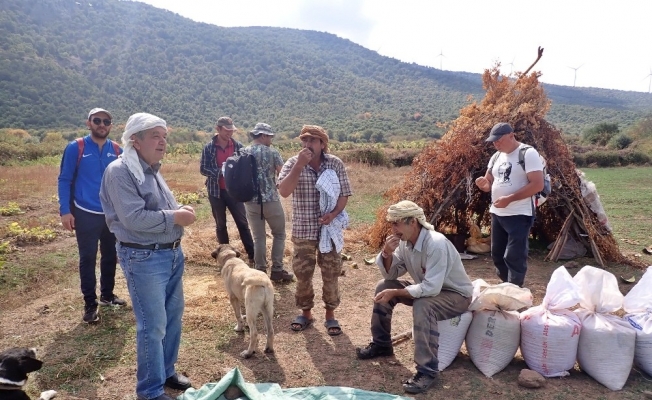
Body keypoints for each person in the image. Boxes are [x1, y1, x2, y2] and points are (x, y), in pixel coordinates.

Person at [99, 113, 196, 400]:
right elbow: (134, 219)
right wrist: (175, 216)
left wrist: (179, 209)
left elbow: (158, 208)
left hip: (170, 255)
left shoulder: (151, 169)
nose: (162, 141)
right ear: (135, 141)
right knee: (152, 325)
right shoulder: (119, 172)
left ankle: (165, 372)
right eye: (155, 135)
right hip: (144, 258)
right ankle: (150, 391)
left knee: (172, 318)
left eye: (164, 136)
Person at [355, 200, 473, 395]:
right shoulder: (405, 244)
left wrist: (397, 293)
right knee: (383, 286)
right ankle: (382, 344)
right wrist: (386, 253)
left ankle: (427, 370)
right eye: (392, 223)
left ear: (413, 222)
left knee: (423, 305)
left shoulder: (436, 243)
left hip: (456, 295)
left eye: (397, 223)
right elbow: (391, 275)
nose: (393, 228)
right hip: (430, 291)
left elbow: (431, 288)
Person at [278, 125, 352, 336]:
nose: (308, 144)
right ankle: (306, 313)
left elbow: (344, 193)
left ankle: (330, 315)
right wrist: (299, 166)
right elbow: (284, 191)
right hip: (304, 228)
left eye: (313, 140)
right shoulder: (293, 163)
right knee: (303, 273)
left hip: (330, 227)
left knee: (331, 272)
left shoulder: (335, 163)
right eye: (305, 140)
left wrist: (335, 213)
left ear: (322, 144)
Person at [57, 107, 126, 324]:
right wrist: (65, 211)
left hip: (110, 214)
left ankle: (107, 295)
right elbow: (64, 179)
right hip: (85, 212)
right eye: (97, 120)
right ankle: (90, 303)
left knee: (110, 255)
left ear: (111, 126)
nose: (102, 125)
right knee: (87, 258)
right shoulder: (75, 147)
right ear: (89, 123)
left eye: (106, 121)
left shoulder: (117, 150)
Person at [475, 122, 544, 287]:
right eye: (493, 141)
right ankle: (508, 286)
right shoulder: (496, 156)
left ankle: (515, 289)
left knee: (514, 255)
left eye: (499, 140)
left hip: (519, 213)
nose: (496, 144)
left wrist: (509, 199)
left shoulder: (528, 153)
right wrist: (483, 184)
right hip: (498, 213)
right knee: (497, 255)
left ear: (512, 135)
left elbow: (537, 184)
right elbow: (488, 182)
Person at [200, 116, 255, 263]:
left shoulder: (238, 146)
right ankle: (226, 258)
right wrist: (221, 171)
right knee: (220, 225)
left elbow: (245, 166)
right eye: (226, 130)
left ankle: (252, 256)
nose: (229, 133)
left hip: (234, 192)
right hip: (216, 191)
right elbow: (203, 169)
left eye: (231, 130)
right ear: (218, 129)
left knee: (242, 223)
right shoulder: (209, 148)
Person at [243, 123, 293, 282]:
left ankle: (260, 271)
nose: (271, 139)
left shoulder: (243, 152)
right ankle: (277, 270)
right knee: (279, 234)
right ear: (263, 136)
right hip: (271, 199)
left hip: (251, 201)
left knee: (258, 237)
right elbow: (283, 173)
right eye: (270, 136)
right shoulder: (272, 153)